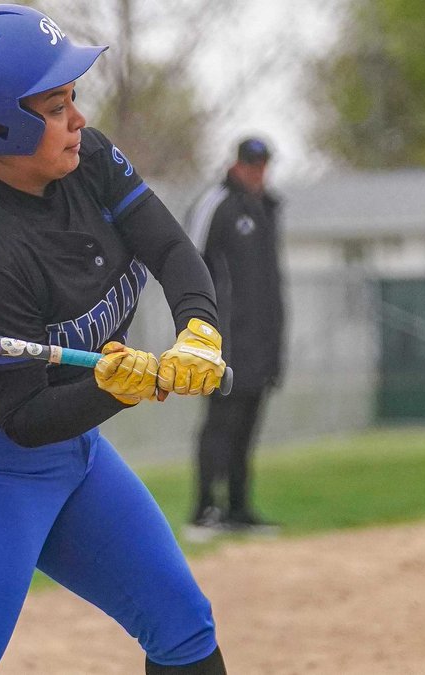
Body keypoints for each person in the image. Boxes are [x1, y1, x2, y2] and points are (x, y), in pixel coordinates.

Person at [0, 5, 228, 674]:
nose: (77, 119)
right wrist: (114, 389)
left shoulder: (89, 158)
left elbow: (170, 248)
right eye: (55, 108)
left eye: (72, 98)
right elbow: (24, 418)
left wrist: (199, 328)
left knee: (183, 629)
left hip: (73, 448)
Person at [182, 137, 286, 541]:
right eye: (251, 165)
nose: (258, 173)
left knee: (247, 429)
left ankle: (239, 508)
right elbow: (186, 262)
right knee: (219, 427)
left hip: (261, 341)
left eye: (263, 165)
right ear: (237, 164)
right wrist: (199, 331)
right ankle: (204, 509)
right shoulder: (217, 204)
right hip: (226, 343)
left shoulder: (266, 208)